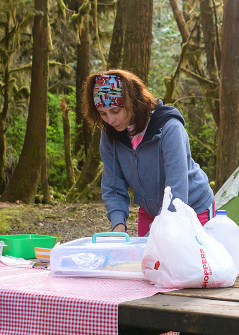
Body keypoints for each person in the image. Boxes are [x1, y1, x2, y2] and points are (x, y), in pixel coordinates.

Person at [83, 69, 214, 237]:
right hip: (150, 212)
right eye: (103, 114)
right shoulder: (110, 134)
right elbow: (113, 186)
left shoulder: (169, 128)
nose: (110, 119)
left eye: (115, 111)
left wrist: (155, 235)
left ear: (131, 102)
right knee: (146, 262)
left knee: (189, 262)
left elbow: (176, 192)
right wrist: (118, 227)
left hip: (192, 209)